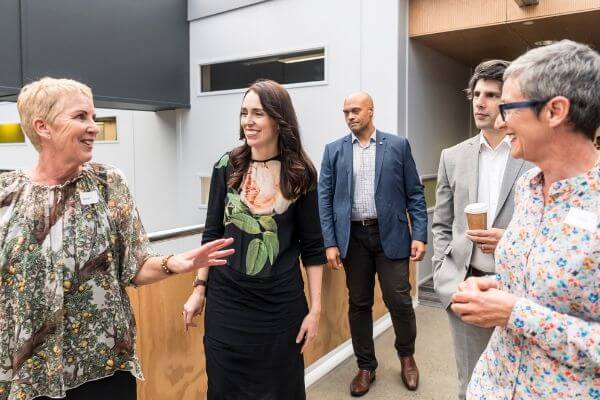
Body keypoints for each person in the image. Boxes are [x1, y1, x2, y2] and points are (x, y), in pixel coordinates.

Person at [0, 77, 235, 400]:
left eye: (93, 117)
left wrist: (174, 263)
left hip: (103, 369)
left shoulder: (108, 183)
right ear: (43, 126)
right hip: (30, 375)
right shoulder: (7, 194)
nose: (93, 127)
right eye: (81, 116)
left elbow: (135, 266)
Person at [450, 40, 600, 399]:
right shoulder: (528, 189)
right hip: (492, 385)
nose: (500, 121)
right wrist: (496, 287)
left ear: (555, 111)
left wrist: (514, 312)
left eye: (509, 108)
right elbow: (544, 285)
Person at [182, 79, 325, 400]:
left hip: (280, 309)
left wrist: (315, 311)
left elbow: (312, 249)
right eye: (244, 113)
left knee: (280, 390)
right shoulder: (226, 166)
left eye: (258, 113)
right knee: (224, 389)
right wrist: (199, 288)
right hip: (227, 305)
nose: (248, 121)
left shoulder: (300, 173)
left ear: (278, 119)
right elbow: (212, 234)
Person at [431, 60, 533, 399]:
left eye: (491, 95)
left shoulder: (531, 155)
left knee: (517, 383)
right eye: (476, 94)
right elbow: (442, 223)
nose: (480, 102)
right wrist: (445, 276)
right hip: (465, 285)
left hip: (518, 287)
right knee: (471, 384)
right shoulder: (452, 157)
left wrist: (510, 240)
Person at [318, 92, 427, 396]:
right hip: (353, 240)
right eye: (345, 112)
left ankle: (407, 357)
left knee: (399, 300)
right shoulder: (333, 151)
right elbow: (324, 200)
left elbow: (415, 194)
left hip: (390, 234)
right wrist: (330, 242)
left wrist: (419, 234)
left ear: (370, 111)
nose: (350, 116)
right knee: (359, 303)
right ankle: (366, 366)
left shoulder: (397, 145)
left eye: (355, 110)